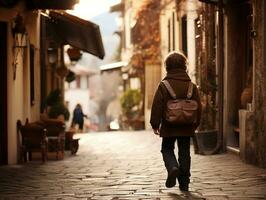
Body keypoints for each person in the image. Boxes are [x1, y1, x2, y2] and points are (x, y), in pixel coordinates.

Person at [150, 51, 202, 191]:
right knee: (185, 151)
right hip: (186, 126)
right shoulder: (191, 86)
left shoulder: (164, 85)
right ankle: (184, 183)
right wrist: (195, 124)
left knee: (167, 148)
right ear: (185, 66)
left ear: (167, 67)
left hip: (169, 125)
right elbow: (198, 107)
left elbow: (157, 105)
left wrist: (155, 124)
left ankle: (172, 167)